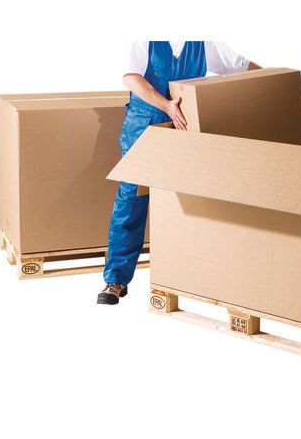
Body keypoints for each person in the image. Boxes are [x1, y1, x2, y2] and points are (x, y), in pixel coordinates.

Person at [97, 41, 260, 305]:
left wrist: (272, 80)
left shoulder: (202, 40)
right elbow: (132, 78)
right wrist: (166, 106)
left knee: (186, 202)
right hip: (145, 125)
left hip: (184, 129)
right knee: (131, 200)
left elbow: (239, 66)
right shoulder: (146, 37)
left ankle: (185, 277)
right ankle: (116, 279)